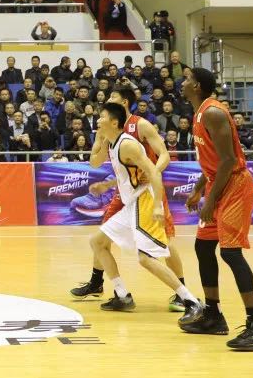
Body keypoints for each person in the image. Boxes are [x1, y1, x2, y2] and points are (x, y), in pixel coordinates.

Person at [179, 68, 253, 350]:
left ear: (197, 86)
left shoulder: (213, 112)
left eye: (187, 78)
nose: (183, 82)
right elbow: (212, 160)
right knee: (203, 247)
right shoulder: (199, 113)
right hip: (216, 183)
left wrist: (210, 201)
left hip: (235, 185)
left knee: (230, 252)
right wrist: (199, 189)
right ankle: (213, 315)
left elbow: (229, 160)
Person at [71, 85, 188, 312]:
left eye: (112, 96)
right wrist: (101, 141)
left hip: (147, 190)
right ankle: (97, 282)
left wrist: (152, 173)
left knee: (166, 239)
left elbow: (164, 154)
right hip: (124, 191)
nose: (108, 99)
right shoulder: (107, 128)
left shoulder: (140, 125)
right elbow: (95, 162)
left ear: (124, 102)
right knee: (103, 235)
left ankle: (182, 291)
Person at [87, 103, 203, 319]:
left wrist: (158, 204)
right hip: (132, 202)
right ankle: (122, 295)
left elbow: (153, 173)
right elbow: (101, 165)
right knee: (98, 242)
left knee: (145, 258)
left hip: (144, 200)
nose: (98, 120)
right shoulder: (111, 143)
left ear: (114, 122)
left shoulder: (127, 145)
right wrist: (107, 183)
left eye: (102, 117)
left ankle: (191, 301)